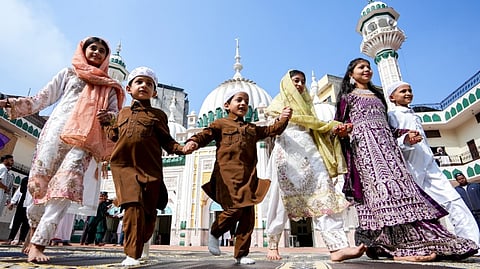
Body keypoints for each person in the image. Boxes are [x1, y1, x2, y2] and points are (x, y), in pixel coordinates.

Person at [334, 57, 478, 262]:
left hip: (390, 151)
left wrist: (405, 135)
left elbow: (388, 126)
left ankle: (416, 242)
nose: (367, 70)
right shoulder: (347, 98)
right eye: (361, 67)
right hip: (366, 152)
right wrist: (342, 130)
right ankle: (398, 247)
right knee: (382, 193)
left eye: (368, 67)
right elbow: (338, 124)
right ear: (351, 74)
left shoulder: (378, 95)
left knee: (403, 190)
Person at [0, 36, 125, 263]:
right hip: (54, 135)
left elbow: (116, 115)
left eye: (101, 50)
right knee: (39, 186)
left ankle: (40, 242)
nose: (96, 52)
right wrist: (12, 103)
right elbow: (41, 99)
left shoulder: (108, 87)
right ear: (83, 50)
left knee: (66, 186)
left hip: (84, 139)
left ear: (106, 57)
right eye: (92, 48)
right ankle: (32, 232)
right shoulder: (68, 74)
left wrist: (109, 117)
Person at [265, 70, 366, 262]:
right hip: (286, 156)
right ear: (286, 83)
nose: (300, 84)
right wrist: (281, 119)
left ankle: (338, 248)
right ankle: (272, 244)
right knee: (279, 200)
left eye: (302, 81)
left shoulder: (308, 108)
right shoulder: (277, 105)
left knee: (324, 197)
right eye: (295, 80)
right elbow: (270, 130)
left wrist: (335, 129)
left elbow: (317, 127)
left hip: (310, 154)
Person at [184, 88, 292, 265]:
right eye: (239, 100)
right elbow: (205, 134)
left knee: (248, 215)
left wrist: (284, 118)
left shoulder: (251, 128)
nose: (243, 104)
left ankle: (241, 254)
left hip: (248, 175)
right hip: (227, 174)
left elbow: (272, 130)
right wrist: (193, 141)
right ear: (227, 105)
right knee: (235, 208)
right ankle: (215, 231)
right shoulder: (221, 124)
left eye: (246, 102)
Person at [105, 66, 188, 266]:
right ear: (128, 88)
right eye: (139, 82)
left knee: (148, 214)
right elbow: (114, 136)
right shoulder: (121, 114)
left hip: (150, 169)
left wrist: (182, 149)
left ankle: (140, 242)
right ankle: (132, 254)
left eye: (149, 84)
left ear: (155, 92)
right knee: (132, 206)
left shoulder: (158, 115)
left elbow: (167, 141)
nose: (144, 86)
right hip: (124, 167)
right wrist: (106, 124)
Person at [387, 81, 480, 246]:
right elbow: (391, 140)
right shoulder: (392, 115)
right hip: (410, 167)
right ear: (392, 97)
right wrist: (406, 140)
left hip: (430, 166)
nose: (408, 93)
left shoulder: (413, 114)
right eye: (403, 91)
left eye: (409, 90)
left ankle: (471, 242)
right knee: (415, 208)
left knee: (453, 200)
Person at [5, 177, 30, 245]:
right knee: (16, 222)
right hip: (22, 203)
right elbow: (19, 191)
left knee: (26, 223)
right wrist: (13, 202)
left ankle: (21, 240)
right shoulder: (26, 180)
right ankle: (10, 239)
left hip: (30, 204)